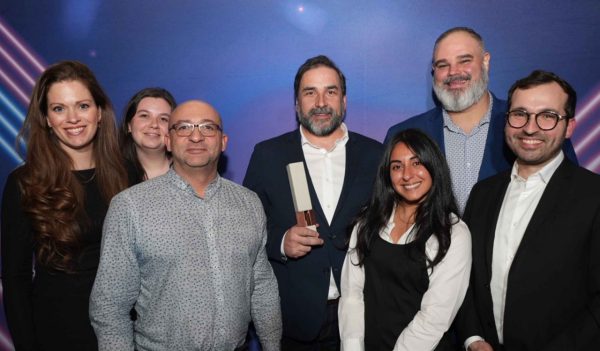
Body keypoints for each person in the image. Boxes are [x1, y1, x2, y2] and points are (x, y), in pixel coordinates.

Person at [90, 100, 282, 351]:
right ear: (168, 141)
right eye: (183, 128)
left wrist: (272, 346)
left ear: (223, 141)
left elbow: (262, 286)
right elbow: (109, 308)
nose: (195, 136)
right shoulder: (130, 207)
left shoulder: (249, 203)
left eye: (207, 127)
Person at [244, 55, 383, 349]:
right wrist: (281, 241)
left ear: (344, 101)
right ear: (296, 104)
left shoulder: (376, 155)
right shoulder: (268, 155)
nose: (321, 102)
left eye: (330, 91)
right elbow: (247, 229)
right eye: (310, 92)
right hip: (296, 320)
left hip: (366, 317)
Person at [455, 70, 600, 351]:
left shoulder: (593, 196)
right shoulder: (483, 193)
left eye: (547, 116)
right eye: (520, 114)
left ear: (569, 126)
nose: (530, 128)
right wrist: (472, 338)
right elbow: (465, 278)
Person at [0, 60, 128, 351]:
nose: (73, 118)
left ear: (99, 112)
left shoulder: (128, 174)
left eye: (82, 106)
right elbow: (15, 279)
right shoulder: (25, 182)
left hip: (125, 332)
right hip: (58, 332)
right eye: (59, 108)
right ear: (46, 118)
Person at [384, 27, 577, 213]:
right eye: (443, 65)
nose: (453, 72)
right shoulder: (405, 133)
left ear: (485, 61)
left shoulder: (525, 127)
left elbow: (569, 196)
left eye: (464, 60)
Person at [339, 129, 471, 350]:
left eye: (417, 163)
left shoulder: (453, 232)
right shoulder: (367, 222)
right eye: (397, 166)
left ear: (433, 166)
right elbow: (352, 295)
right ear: (388, 174)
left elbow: (435, 317)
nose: (407, 175)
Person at [119, 87, 176, 185]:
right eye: (144, 116)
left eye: (163, 119)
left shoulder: (188, 171)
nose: (154, 124)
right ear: (129, 126)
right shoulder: (110, 174)